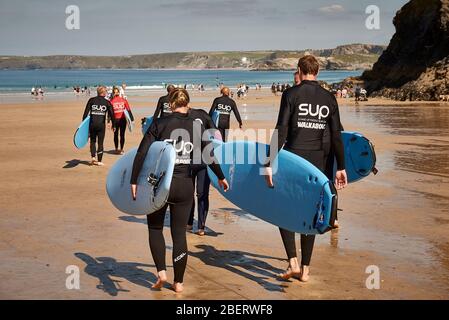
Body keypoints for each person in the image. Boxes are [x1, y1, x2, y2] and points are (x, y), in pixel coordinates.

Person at [131, 88, 229, 293]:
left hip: (160, 185)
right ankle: (179, 283)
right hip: (185, 185)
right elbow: (209, 154)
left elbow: (142, 153)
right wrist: (220, 177)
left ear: (171, 104)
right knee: (179, 235)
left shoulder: (159, 124)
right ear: (188, 104)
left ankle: (161, 273)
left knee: (156, 228)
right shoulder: (196, 127)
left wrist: (133, 180)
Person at [264, 55, 348, 282]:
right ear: (318, 72)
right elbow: (337, 136)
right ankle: (306, 270)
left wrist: (268, 162)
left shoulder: (291, 94)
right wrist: (341, 167)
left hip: (293, 161)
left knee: (283, 210)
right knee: (310, 213)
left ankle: (292, 262)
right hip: (317, 163)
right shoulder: (329, 98)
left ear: (299, 70)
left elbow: (280, 130)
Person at [186, 108, 219, 236]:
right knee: (202, 194)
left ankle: (190, 223)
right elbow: (216, 134)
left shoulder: (182, 117)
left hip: (188, 160)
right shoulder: (203, 114)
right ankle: (200, 227)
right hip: (203, 161)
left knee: (190, 194)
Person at [82, 86, 116, 166]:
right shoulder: (107, 102)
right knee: (100, 143)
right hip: (101, 125)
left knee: (93, 141)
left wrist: (84, 126)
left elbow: (85, 115)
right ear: (104, 93)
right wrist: (113, 125)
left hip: (92, 124)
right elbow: (112, 114)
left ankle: (93, 158)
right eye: (106, 91)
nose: (107, 93)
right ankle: (99, 161)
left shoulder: (91, 100)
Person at [110, 87, 134, 154]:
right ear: (113, 93)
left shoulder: (121, 101)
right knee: (116, 134)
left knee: (121, 134)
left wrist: (131, 119)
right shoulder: (111, 102)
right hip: (115, 121)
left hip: (122, 120)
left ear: (118, 92)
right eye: (115, 92)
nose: (116, 93)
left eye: (116, 92)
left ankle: (121, 149)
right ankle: (117, 148)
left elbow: (128, 110)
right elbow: (110, 113)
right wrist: (109, 121)